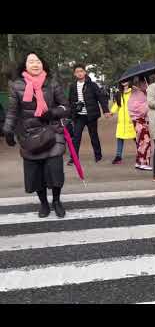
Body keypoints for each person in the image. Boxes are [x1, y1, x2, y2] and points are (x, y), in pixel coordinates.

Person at [2, 52, 71, 218]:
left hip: (52, 132)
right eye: (31, 61)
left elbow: (66, 107)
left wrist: (52, 113)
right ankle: (44, 204)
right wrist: (7, 130)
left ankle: (56, 201)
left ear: (43, 64)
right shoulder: (16, 85)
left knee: (55, 171)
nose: (35, 64)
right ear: (25, 66)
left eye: (38, 61)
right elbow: (12, 112)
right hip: (29, 135)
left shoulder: (52, 84)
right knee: (36, 173)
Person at [68, 64, 111, 164]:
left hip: (91, 115)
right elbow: (70, 101)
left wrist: (106, 111)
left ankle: (98, 155)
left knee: (93, 136)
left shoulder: (92, 85)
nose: (79, 73)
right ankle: (74, 157)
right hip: (79, 116)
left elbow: (100, 97)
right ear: (74, 74)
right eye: (77, 71)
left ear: (85, 72)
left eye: (81, 71)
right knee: (76, 137)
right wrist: (70, 113)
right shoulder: (73, 86)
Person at [127, 76, 152, 171]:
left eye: (146, 83)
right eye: (144, 83)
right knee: (145, 141)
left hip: (140, 121)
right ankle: (143, 162)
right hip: (139, 120)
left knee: (141, 141)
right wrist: (147, 104)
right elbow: (138, 109)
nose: (146, 85)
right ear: (139, 84)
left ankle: (139, 161)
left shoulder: (139, 93)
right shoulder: (138, 94)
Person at [110, 81, 137, 165]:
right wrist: (111, 112)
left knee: (136, 138)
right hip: (122, 121)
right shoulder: (119, 93)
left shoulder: (134, 92)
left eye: (126, 80)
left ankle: (142, 153)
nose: (124, 82)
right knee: (120, 138)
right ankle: (118, 156)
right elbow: (117, 105)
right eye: (122, 81)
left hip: (132, 120)